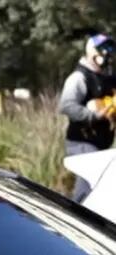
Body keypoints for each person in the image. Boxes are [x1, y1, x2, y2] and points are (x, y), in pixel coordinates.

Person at [59, 34, 116, 202]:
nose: (107, 53)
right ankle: (76, 221)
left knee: (99, 185)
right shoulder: (79, 77)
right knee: (88, 184)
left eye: (110, 49)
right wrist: (94, 115)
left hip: (101, 142)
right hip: (82, 142)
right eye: (104, 49)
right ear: (92, 51)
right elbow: (66, 105)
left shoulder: (107, 79)